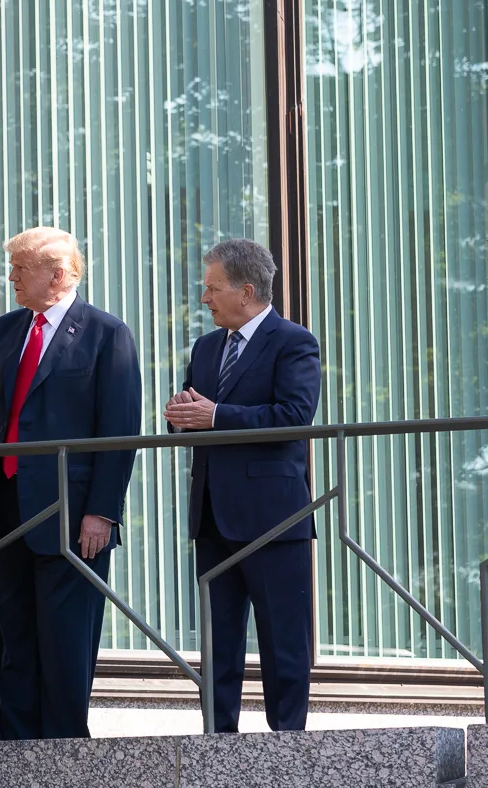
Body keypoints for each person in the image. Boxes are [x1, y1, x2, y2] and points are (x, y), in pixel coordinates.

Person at [0, 226, 141, 740]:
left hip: (73, 514)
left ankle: (63, 753)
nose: (11, 276)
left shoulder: (106, 333)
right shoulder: (3, 330)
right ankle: (13, 751)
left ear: (58, 274)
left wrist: (102, 511)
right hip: (5, 503)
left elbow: (118, 432)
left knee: (65, 641)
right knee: (14, 638)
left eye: (21, 268)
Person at [162, 238, 321, 734]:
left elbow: (295, 417)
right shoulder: (207, 347)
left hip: (275, 520)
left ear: (246, 290)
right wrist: (182, 419)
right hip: (212, 516)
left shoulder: (294, 341)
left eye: (211, 288)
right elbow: (198, 421)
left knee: (284, 645)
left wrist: (216, 416)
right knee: (218, 643)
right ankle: (216, 745)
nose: (204, 298)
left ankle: (289, 749)